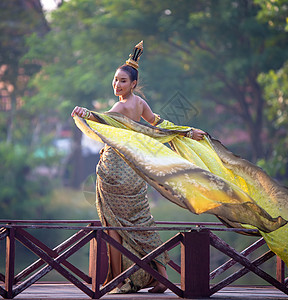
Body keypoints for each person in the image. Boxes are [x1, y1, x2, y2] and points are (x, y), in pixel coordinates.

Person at [71, 41, 205, 294]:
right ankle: (161, 277)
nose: (117, 85)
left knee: (114, 227)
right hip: (134, 172)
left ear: (133, 84)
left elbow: (100, 119)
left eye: (122, 81)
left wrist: (84, 112)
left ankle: (119, 280)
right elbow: (159, 125)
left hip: (115, 172)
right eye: (115, 80)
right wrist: (186, 131)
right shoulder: (141, 103)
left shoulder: (119, 107)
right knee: (141, 221)